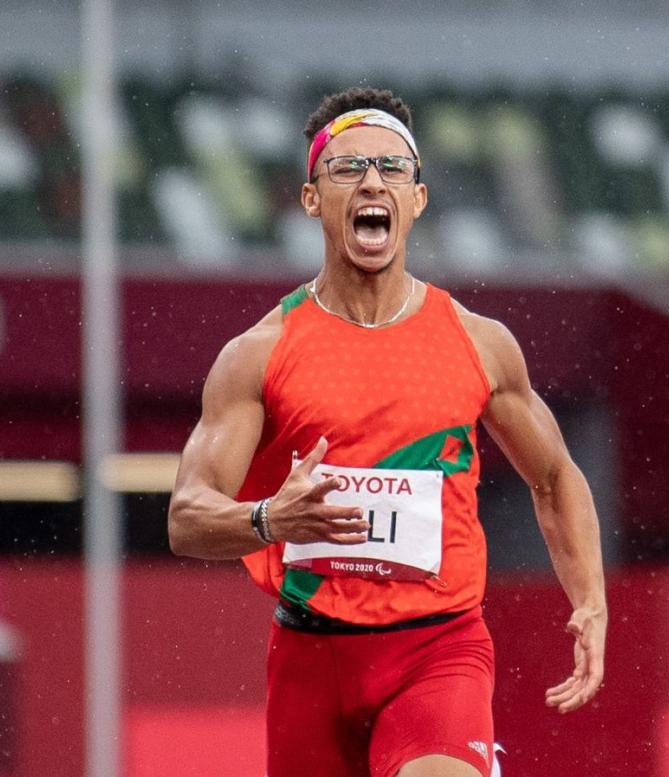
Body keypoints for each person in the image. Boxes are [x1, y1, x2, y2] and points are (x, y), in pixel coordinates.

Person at [168, 86, 607, 777]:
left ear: (417, 199)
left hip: (439, 649)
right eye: (347, 168)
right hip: (312, 658)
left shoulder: (479, 344)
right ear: (313, 198)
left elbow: (554, 475)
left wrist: (590, 600)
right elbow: (187, 515)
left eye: (392, 168)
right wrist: (268, 517)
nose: (372, 180)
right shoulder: (259, 353)